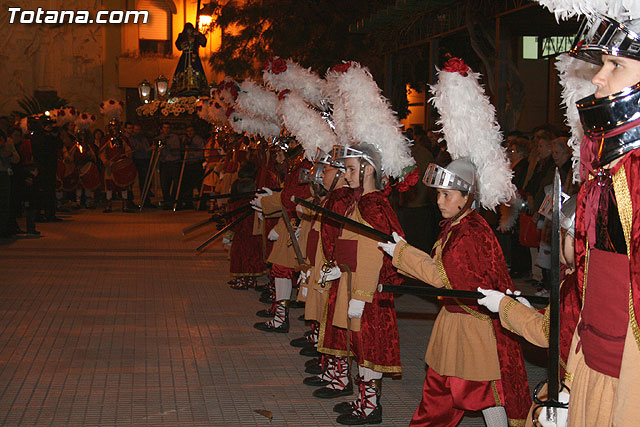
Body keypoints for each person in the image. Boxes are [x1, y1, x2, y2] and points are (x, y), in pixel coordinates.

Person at [378, 57, 530, 427]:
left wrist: (402, 254)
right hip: (454, 323)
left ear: (466, 197)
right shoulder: (458, 226)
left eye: (448, 195)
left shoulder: (470, 231)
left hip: (471, 327)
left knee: (480, 393)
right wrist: (403, 251)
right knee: (446, 394)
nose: (440, 201)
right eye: (439, 194)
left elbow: (445, 278)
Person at [529, 6, 640, 426]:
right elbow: (589, 283)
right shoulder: (609, 168)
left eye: (615, 64)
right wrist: (572, 379)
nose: (598, 77)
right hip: (595, 358)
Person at [170, 23, 208, 96]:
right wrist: (183, 44)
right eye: (188, 29)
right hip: (185, 58)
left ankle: (197, 89)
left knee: (196, 72)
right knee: (182, 73)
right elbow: (178, 45)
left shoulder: (196, 35)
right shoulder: (181, 36)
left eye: (190, 29)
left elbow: (204, 43)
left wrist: (199, 35)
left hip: (194, 57)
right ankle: (182, 89)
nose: (189, 31)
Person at [157, 122, 181, 210]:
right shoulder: (159, 138)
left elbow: (176, 149)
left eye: (168, 127)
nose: (166, 129)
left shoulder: (174, 137)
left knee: (176, 183)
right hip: (164, 163)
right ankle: (167, 201)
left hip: (173, 162)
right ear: (162, 129)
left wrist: (167, 145)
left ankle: (174, 201)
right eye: (164, 127)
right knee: (164, 184)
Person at [128, 123, 153, 207]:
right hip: (136, 160)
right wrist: (149, 149)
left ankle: (146, 200)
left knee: (144, 181)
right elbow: (139, 148)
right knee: (132, 181)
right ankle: (130, 201)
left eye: (139, 129)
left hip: (145, 160)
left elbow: (145, 148)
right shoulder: (131, 139)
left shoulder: (143, 138)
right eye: (136, 129)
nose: (138, 131)